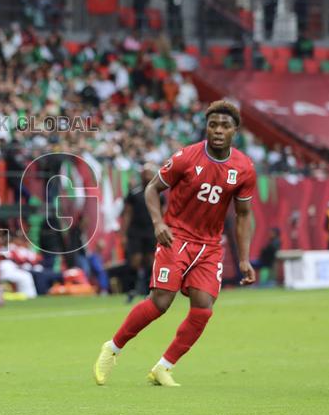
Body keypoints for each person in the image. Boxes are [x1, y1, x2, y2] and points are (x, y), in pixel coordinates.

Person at [94, 100, 257, 387]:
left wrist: (244, 258)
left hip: (209, 246)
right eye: (213, 124)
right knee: (161, 302)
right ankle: (113, 348)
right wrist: (159, 223)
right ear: (206, 127)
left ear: (235, 131)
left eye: (225, 126)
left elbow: (243, 215)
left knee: (204, 307)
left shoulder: (243, 168)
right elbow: (152, 189)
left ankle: (163, 367)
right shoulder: (186, 157)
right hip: (177, 236)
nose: (218, 130)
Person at [122, 165, 157, 301]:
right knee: (135, 261)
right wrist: (123, 234)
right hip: (136, 231)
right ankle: (131, 290)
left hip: (151, 231)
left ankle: (148, 291)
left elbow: (164, 212)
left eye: (149, 174)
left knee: (150, 260)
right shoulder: (134, 193)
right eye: (145, 174)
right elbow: (127, 214)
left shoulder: (158, 193)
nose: (146, 176)